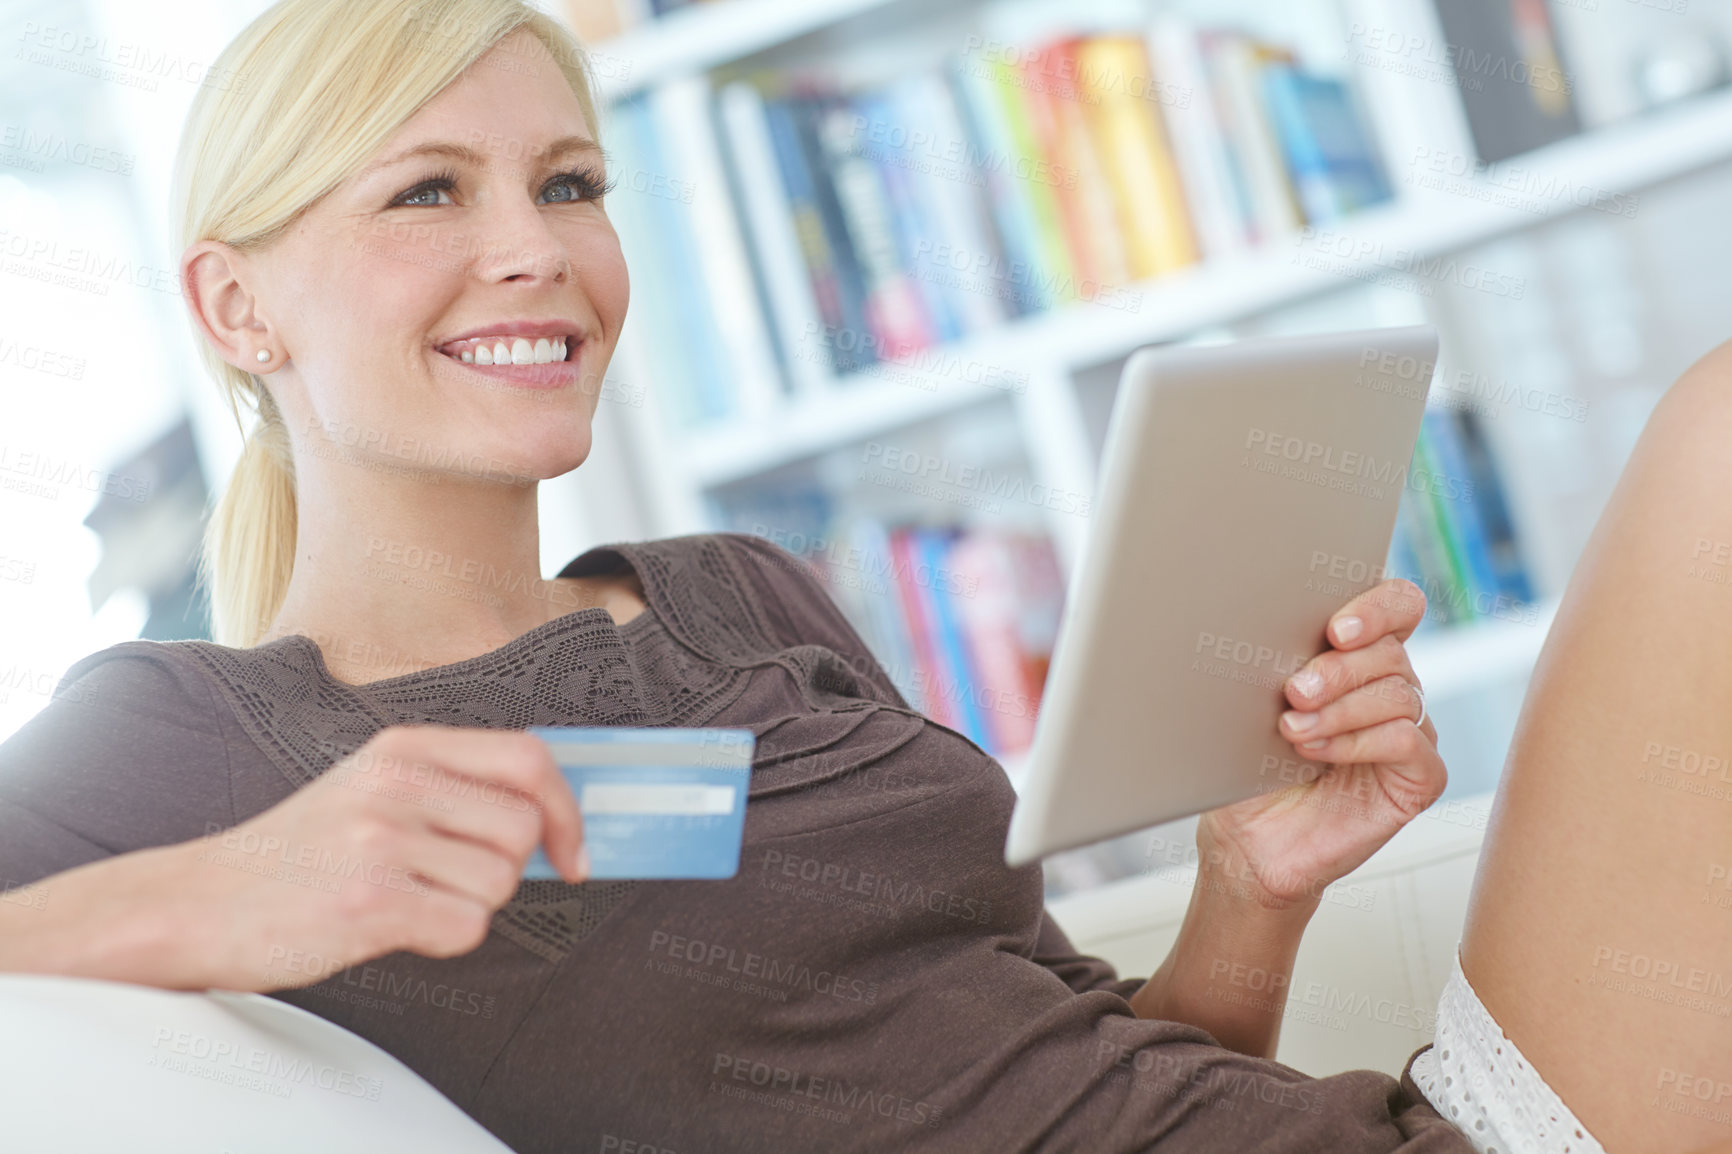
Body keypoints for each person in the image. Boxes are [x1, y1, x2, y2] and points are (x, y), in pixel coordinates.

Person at [0, 1, 1725, 1151]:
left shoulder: (745, 594)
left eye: (569, 182)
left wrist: (1254, 883)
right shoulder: (200, 738)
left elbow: (1082, 1062)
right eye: (427, 192)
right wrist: (217, 896)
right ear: (235, 306)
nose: (531, 246)